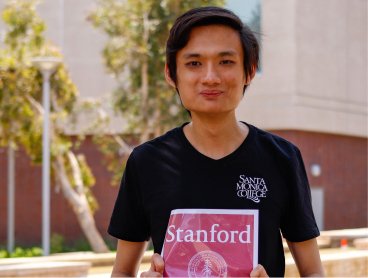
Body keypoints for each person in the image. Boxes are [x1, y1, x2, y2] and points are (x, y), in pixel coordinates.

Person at [108, 6, 324, 277]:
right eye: (194, 63)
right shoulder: (147, 162)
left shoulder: (282, 158)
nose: (210, 77)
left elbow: (314, 272)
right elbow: (121, 272)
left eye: (226, 62)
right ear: (170, 74)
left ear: (249, 71)